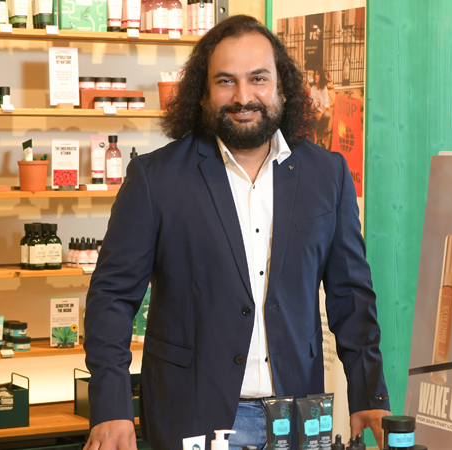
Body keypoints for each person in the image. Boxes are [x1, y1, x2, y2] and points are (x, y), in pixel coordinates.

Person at [83, 14, 390, 450]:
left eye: (258, 79)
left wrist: (369, 394)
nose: (243, 97)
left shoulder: (328, 174)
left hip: (298, 417)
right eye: (225, 81)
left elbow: (351, 296)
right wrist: (111, 406)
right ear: (203, 93)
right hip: (193, 416)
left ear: (282, 87)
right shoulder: (156, 178)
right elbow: (111, 299)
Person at [309, 70, 331, 148]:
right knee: (310, 117)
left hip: (322, 111)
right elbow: (311, 104)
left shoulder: (324, 88)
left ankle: (323, 138)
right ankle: (315, 138)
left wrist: (321, 113)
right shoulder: (313, 88)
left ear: (321, 76)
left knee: (327, 115)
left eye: (318, 74)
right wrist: (313, 109)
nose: (315, 76)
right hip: (315, 111)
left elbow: (327, 105)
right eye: (315, 74)